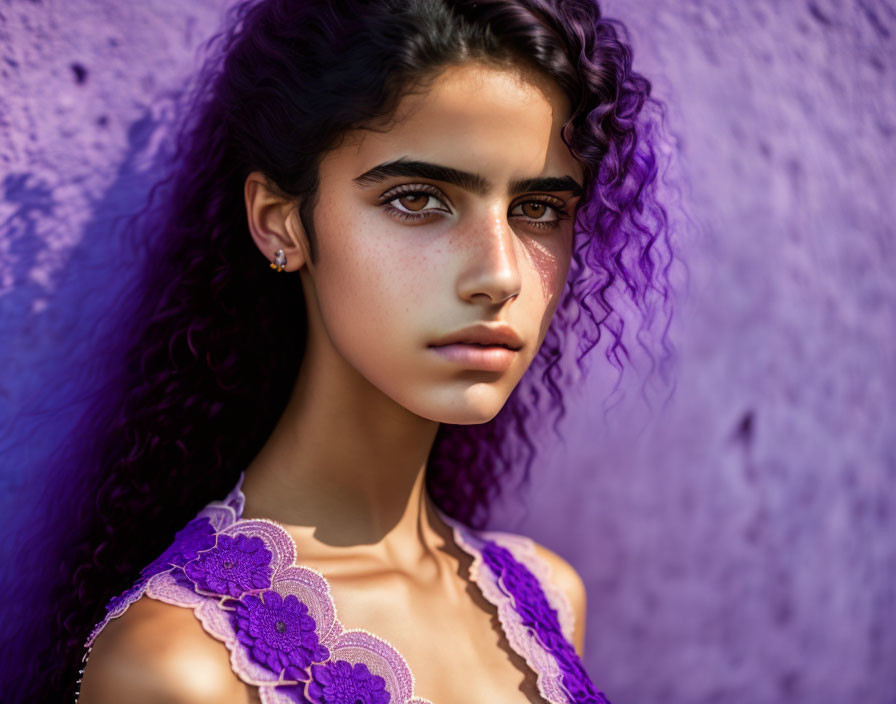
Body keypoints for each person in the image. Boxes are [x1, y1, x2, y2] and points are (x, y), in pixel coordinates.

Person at [12, 0, 677, 701]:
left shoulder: (546, 601)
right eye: (418, 199)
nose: (500, 275)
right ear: (280, 224)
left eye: (539, 209)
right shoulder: (181, 669)